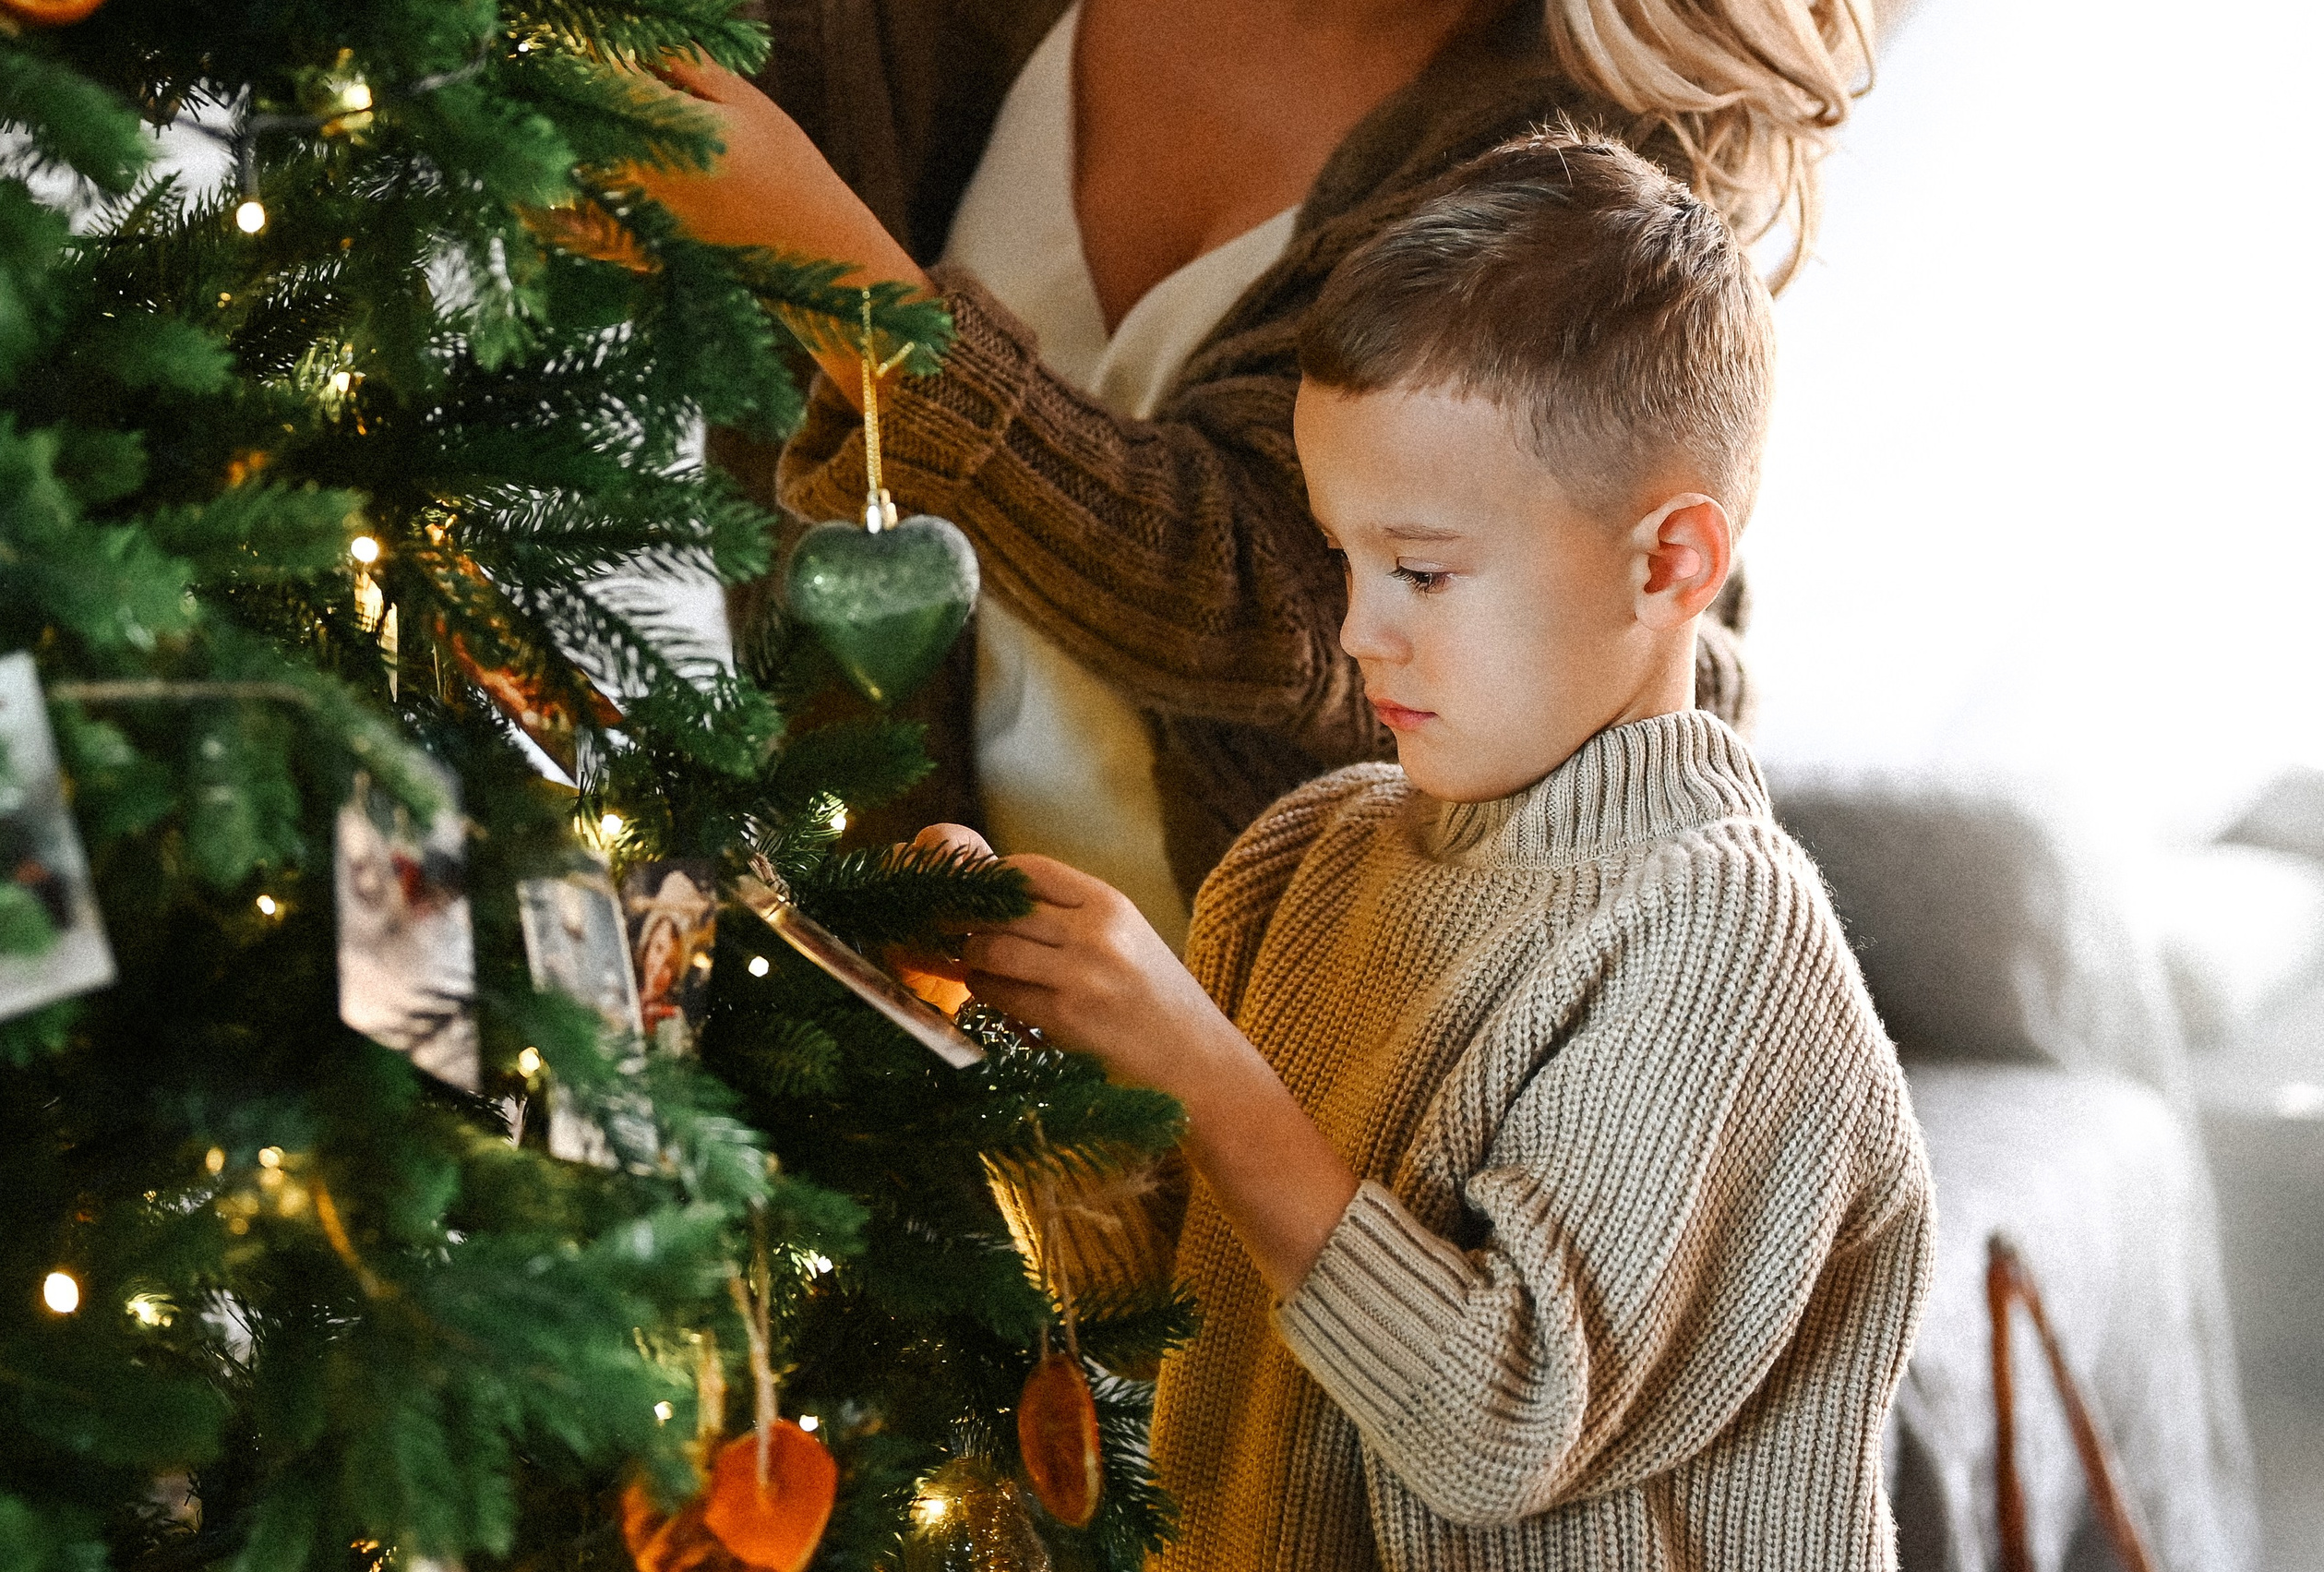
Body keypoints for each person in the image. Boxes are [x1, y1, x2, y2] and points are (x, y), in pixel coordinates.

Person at [910, 134, 1933, 1569]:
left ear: (1670, 564)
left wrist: (1200, 1063)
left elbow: (1497, 1425)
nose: (1355, 632)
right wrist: (1004, 1036)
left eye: (1424, 571)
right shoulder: (1309, 855)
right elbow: (1205, 1296)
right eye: (1344, 558)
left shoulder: (1719, 939)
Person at [633, 0, 1872, 949]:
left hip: (1360, 1074)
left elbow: (1296, 606)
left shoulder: (1601, 134)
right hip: (903, 1021)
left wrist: (855, 296)